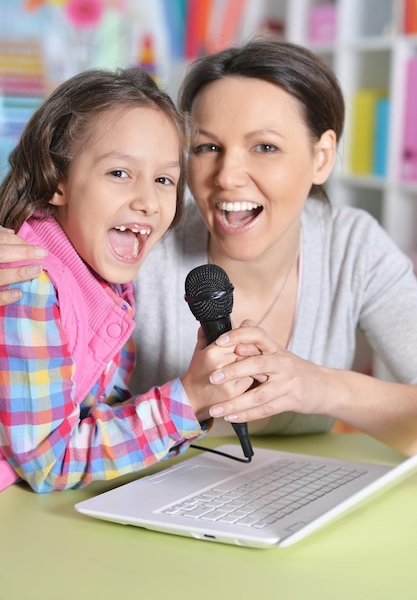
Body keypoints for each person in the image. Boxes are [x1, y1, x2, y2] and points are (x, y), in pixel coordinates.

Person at [1, 37, 417, 457]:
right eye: (207, 148)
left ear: (322, 157)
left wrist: (320, 386)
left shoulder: (353, 247)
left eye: (265, 147)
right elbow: (51, 222)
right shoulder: (141, 236)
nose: (228, 176)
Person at [0, 66, 254, 493]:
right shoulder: (30, 282)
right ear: (57, 178)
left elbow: (98, 410)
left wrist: (196, 400)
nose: (148, 202)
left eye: (163, 180)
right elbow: (48, 461)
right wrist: (185, 401)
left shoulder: (106, 279)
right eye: (119, 173)